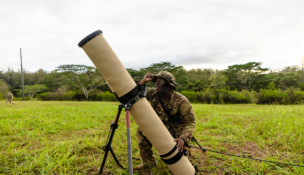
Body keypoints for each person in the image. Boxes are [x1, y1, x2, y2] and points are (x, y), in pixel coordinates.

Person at [134, 71, 196, 171]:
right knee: (141, 130)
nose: (156, 83)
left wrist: (183, 139)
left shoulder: (181, 100)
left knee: (181, 166)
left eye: (160, 81)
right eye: (156, 81)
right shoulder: (153, 93)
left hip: (176, 132)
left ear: (169, 85)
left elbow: (190, 123)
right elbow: (135, 91)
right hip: (159, 127)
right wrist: (143, 81)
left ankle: (187, 157)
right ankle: (148, 164)